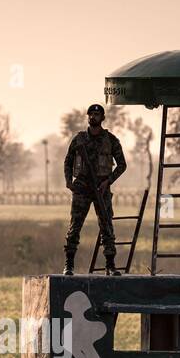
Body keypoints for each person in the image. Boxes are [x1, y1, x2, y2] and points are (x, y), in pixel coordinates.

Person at [62, 104, 127, 276]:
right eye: (91, 114)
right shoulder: (79, 140)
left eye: (97, 114)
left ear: (103, 118)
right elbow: (68, 162)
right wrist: (69, 182)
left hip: (101, 188)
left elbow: (122, 165)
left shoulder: (111, 140)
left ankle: (110, 265)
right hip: (82, 187)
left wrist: (108, 181)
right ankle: (69, 264)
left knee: (106, 226)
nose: (94, 117)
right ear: (88, 117)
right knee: (75, 226)